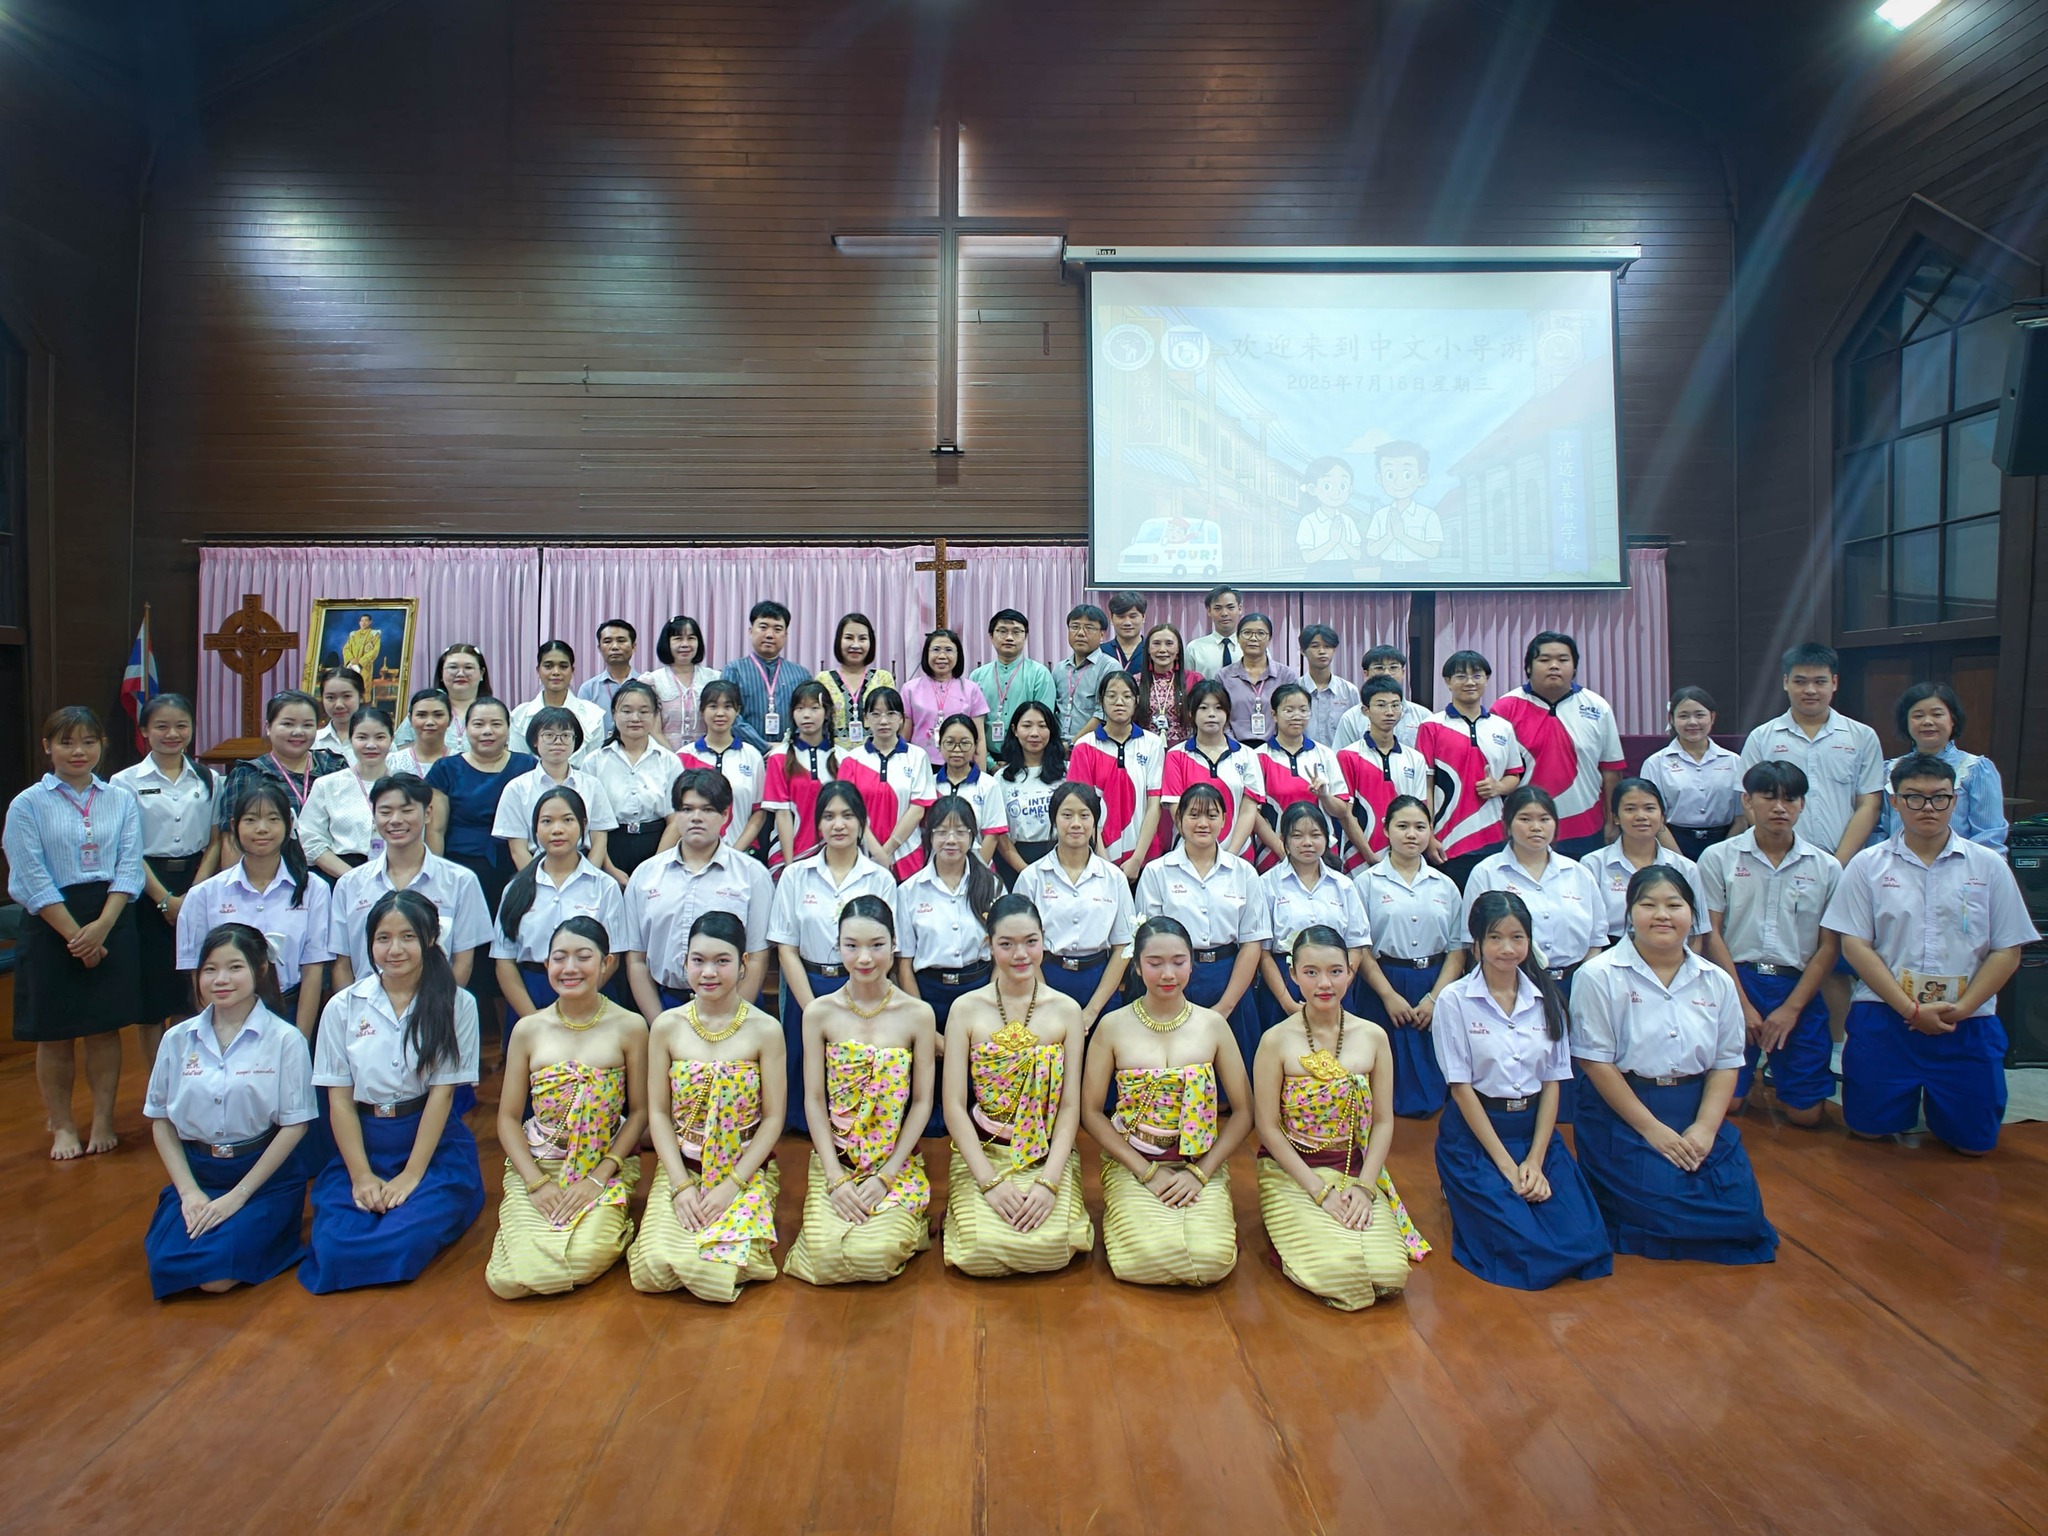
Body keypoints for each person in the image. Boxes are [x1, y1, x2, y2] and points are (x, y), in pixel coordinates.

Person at [1822, 753, 2037, 1155]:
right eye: (1914, 797)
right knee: (1868, 1132)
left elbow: (2007, 950)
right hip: (1886, 1015)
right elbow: (1855, 946)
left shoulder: (1988, 866)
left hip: (1967, 1020)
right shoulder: (1867, 866)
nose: (1928, 807)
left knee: (1974, 1145)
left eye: (1939, 797)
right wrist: (1910, 1009)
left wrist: (1963, 1008)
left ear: (1954, 800)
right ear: (1894, 802)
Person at [1570, 866, 1778, 1265]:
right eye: (1648, 905)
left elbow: (1726, 1062)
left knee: (1743, 1217)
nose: (1662, 915)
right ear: (1630, 912)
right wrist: (1653, 1131)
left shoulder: (1716, 980)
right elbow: (1596, 1064)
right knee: (1663, 1208)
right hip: (1625, 1111)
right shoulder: (1598, 976)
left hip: (1695, 1107)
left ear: (1692, 914)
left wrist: (1705, 1128)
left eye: (1674, 905)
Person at [300, 890, 486, 1293]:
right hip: (364, 1144)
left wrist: (411, 1175)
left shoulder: (458, 1003)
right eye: (383, 938)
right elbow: (339, 1101)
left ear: (430, 939)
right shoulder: (343, 1006)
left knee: (403, 1238)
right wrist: (361, 1175)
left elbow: (442, 1096)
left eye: (408, 937)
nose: (394, 949)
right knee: (334, 1247)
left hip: (430, 1145)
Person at [1431, 893, 1612, 1291]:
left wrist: (1535, 1159)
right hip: (1477, 1137)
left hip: (1533, 1133)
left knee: (1586, 1239)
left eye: (1517, 937)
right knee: (1520, 1246)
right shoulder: (1454, 1000)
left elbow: (1552, 1084)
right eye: (1495, 938)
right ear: (1476, 944)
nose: (1507, 948)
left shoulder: (1548, 999)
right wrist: (1508, 1168)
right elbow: (1461, 1090)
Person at [1253, 926, 1430, 1309]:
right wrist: (1318, 1191)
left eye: (1335, 971)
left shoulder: (1373, 1036)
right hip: (1294, 1171)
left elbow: (1383, 1122)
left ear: (1350, 972)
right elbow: (1266, 1127)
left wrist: (1365, 1187)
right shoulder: (1275, 1040)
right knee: (1339, 1274)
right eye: (1311, 972)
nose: (1324, 983)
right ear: (1293, 974)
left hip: (1354, 1168)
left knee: (1389, 1274)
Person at [143, 923, 318, 1298]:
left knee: (217, 1276)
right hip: (200, 1175)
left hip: (261, 1179)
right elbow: (161, 1121)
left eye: (234, 967)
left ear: (260, 969)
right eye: (210, 969)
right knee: (167, 1264)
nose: (220, 979)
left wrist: (239, 1195)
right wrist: (189, 1193)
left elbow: (295, 1126)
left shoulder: (285, 1040)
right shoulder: (176, 1039)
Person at [1081, 917, 1253, 1286]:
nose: (1168, 974)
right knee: (1139, 1259)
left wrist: (1202, 1173)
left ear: (1192, 963)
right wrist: (1146, 1172)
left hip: (1198, 1163)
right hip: (1134, 1162)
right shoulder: (1112, 1026)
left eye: (1178, 961)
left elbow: (1243, 1111)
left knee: (1212, 1261)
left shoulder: (1213, 1025)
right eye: (1155, 963)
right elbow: (1091, 1112)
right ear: (1137, 967)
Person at [6, 706, 145, 1158]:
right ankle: (63, 1126)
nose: (78, 751)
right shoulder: (27, 804)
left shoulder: (120, 798)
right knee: (54, 1033)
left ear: (102, 745)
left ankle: (103, 1118)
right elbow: (31, 876)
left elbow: (130, 865)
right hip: (51, 923)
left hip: (109, 916)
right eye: (66, 742)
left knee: (104, 1030)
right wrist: (76, 936)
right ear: (48, 747)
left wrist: (102, 927)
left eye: (88, 741)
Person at [628, 911, 787, 1303]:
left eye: (722, 961)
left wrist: (732, 1186)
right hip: (683, 1167)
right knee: (650, 1268)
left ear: (744, 963)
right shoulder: (666, 1026)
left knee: (722, 1267)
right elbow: (658, 1113)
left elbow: (773, 1118)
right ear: (685, 962)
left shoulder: (766, 1029)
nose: (709, 972)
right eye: (698, 960)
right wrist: (681, 1185)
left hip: (743, 1169)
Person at [486, 917, 648, 1298]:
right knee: (507, 1280)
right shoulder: (528, 1029)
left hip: (602, 1164)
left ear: (607, 963)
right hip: (539, 1164)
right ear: (546, 965)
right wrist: (536, 1184)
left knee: (586, 1256)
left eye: (583, 957)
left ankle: (613, 1224)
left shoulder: (631, 1026)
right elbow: (508, 1119)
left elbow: (640, 1112)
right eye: (559, 958)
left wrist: (599, 1177)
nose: (570, 968)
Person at [783, 896, 937, 1286]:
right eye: (851, 946)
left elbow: (922, 1102)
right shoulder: (819, 1012)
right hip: (836, 1161)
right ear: (837, 946)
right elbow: (814, 1099)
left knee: (876, 1256)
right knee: (822, 1256)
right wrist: (835, 1178)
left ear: (894, 944)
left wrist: (886, 1176)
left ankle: (910, 1218)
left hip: (893, 1163)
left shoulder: (917, 1014)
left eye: (877, 945)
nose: (864, 958)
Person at [938, 894, 1094, 1276]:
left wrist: (1048, 1182)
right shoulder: (965, 1009)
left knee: (1054, 1247)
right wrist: (989, 1182)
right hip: (985, 1150)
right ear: (989, 945)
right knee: (978, 1252)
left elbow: (1070, 1106)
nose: (1020, 954)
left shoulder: (1067, 1010)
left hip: (1045, 1153)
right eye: (1006, 944)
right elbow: (954, 1105)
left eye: (1030, 941)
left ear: (1044, 940)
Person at [1698, 762, 1841, 1126]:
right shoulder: (1718, 857)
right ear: (1747, 801)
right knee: (1727, 1104)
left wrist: (1792, 1008)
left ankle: (1778, 1073)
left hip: (1796, 985)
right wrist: (1742, 1004)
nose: (1780, 807)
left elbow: (1828, 946)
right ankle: (1749, 1077)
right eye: (1769, 797)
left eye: (1790, 799)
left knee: (1806, 1116)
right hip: (1736, 980)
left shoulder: (1826, 867)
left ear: (1802, 804)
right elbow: (1711, 933)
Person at [768, 783, 898, 1134]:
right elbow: (786, 948)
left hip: (863, 987)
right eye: (829, 817)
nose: (838, 825)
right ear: (818, 824)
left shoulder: (880, 879)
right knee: (803, 1083)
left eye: (847, 816)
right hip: (808, 987)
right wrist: (813, 1009)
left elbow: (889, 948)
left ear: (862, 823)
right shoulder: (796, 875)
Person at [176, 782, 332, 1038]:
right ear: (234, 826)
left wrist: (299, 1041)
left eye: (273, 819)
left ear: (289, 825)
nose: (262, 828)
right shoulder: (204, 895)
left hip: (290, 1009)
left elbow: (313, 971)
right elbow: (197, 972)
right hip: (226, 1014)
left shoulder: (313, 889)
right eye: (250, 820)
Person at [111, 693, 220, 1059]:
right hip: (145, 888)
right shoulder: (124, 782)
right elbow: (127, 848)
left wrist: (193, 894)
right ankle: (157, 1083)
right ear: (144, 730)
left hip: (197, 883)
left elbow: (216, 842)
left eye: (181, 726)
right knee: (152, 999)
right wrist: (164, 900)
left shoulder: (209, 778)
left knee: (189, 993)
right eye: (161, 726)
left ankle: (188, 1075)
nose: (172, 734)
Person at [622, 770, 775, 1018]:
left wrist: (732, 1021)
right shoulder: (645, 876)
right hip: (666, 1002)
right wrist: (659, 1022)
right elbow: (636, 960)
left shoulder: (752, 875)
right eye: (686, 809)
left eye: (707, 809)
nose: (696, 817)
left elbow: (757, 957)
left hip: (735, 1003)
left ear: (725, 815)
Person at [1135, 785, 1272, 1062]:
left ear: (1224, 820)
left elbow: (1252, 942)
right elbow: (1148, 941)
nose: (1202, 823)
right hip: (1174, 978)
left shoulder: (1244, 872)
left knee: (1236, 1073)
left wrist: (1226, 1006)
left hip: (1230, 977)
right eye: (1194, 815)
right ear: (1179, 819)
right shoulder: (1156, 872)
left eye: (1211, 815)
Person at [1356, 796, 1467, 1118]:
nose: (1411, 834)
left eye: (1420, 827)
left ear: (1430, 831)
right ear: (1385, 829)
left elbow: (1457, 949)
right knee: (1383, 1089)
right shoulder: (1366, 883)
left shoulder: (1446, 885)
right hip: (1382, 983)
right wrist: (1388, 996)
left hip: (1434, 983)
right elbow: (1359, 947)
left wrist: (1434, 998)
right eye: (1402, 826)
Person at [328, 775, 492, 992]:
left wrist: (438, 1005)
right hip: (366, 1007)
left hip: (434, 1004)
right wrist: (355, 1009)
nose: (396, 820)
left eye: (406, 811)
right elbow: (342, 964)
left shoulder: (461, 881)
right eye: (385, 812)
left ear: (428, 813)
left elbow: (463, 962)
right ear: (374, 816)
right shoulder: (349, 885)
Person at [895, 796, 1000, 1131]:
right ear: (929, 836)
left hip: (978, 992)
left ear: (972, 836)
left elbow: (1001, 954)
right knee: (931, 1082)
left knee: (975, 1095)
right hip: (928, 994)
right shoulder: (910, 891)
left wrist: (990, 1001)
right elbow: (904, 964)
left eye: (960, 831)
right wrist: (923, 1019)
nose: (951, 840)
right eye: (942, 831)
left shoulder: (991, 885)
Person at [490, 788, 629, 1026]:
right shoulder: (515, 889)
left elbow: (613, 956)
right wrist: (534, 1019)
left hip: (590, 994)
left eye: (567, 820)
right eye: (547, 821)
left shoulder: (604, 886)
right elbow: (504, 962)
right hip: (529, 997)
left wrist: (576, 1003)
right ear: (535, 829)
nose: (557, 829)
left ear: (583, 826)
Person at [1735, 643, 1885, 864]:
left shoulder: (1862, 736)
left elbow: (1869, 804)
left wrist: (1838, 864)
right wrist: (1781, 853)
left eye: (1820, 681)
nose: (1810, 690)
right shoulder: (1761, 737)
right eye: (1800, 681)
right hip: (1780, 860)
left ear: (1834, 683)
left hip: (1845, 862)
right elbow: (1750, 801)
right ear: (1785, 682)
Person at [1461, 786, 1605, 997]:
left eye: (1544, 819)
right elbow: (1473, 942)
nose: (1536, 827)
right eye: (1525, 819)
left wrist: (1585, 986)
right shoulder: (1486, 873)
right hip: (1512, 985)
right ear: (1507, 824)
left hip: (1575, 984)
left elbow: (1596, 941)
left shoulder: (1579, 873)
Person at [1493, 631, 1625, 861]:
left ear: (1574, 668)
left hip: (1585, 826)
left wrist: (1612, 821)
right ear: (1528, 668)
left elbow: (1611, 771)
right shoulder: (1505, 708)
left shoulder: (1597, 707)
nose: (1554, 666)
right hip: (1524, 828)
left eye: (1563, 660)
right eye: (1544, 659)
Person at [1013, 782, 1136, 1025]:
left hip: (1100, 981)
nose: (1076, 824)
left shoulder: (1114, 878)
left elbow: (1124, 946)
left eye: (1084, 815)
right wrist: (1046, 1001)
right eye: (1067, 815)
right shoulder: (1031, 877)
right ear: (1054, 820)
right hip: (1046, 978)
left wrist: (1092, 1010)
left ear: (1095, 821)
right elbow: (1021, 944)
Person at [1414, 650, 1527, 889]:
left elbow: (1514, 774)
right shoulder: (1431, 726)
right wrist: (1429, 835)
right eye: (1461, 676)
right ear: (1447, 682)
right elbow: (1425, 786)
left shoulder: (1502, 727)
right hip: (1447, 840)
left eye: (1477, 675)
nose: (1470, 682)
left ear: (1486, 679)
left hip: (1495, 835)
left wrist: (1498, 787)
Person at [425, 696, 535, 926]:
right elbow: (435, 830)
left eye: (496, 724)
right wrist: (436, 875)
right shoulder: (446, 768)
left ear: (508, 728)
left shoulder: (528, 766)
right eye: (478, 724)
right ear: (466, 728)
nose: (487, 731)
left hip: (518, 864)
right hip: (461, 866)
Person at [1258, 802, 1371, 1025]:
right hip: (1285, 984)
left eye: (1315, 835)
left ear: (1327, 839)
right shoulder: (1266, 884)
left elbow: (1356, 945)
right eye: (1297, 836)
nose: (1307, 842)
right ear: (1283, 839)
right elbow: (1262, 953)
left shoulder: (1344, 885)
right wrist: (1287, 1002)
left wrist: (1338, 986)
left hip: (1335, 983)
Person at [1875, 682, 2008, 855]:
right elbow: (1879, 830)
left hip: (1961, 866)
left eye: (1937, 714)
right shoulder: (1889, 770)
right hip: (1896, 865)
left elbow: (1989, 835)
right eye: (1918, 716)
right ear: (1905, 722)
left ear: (1953, 719)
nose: (1927, 722)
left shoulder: (1975, 769)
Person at [1582, 779, 1710, 946]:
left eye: (1649, 808)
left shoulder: (1685, 868)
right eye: (1630, 809)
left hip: (1670, 952)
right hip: (1609, 952)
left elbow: (1696, 934)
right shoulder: (1593, 864)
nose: (1641, 816)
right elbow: (1588, 930)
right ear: (1616, 818)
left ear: (1662, 817)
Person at [215, 690, 346, 852]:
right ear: (268, 727)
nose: (298, 732)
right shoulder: (248, 773)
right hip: (270, 864)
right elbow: (231, 840)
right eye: (288, 724)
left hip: (333, 863)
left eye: (307, 725)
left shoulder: (334, 767)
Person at [492, 706, 618, 873]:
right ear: (535, 740)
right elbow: (518, 849)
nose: (558, 742)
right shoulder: (516, 788)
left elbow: (599, 842)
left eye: (565, 736)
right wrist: (537, 882)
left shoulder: (592, 785)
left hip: (584, 866)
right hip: (533, 868)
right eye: (549, 735)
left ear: (575, 741)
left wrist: (586, 878)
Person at [1066, 671, 1164, 882]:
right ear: (1101, 700)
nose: (1119, 702)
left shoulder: (1152, 743)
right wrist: (1103, 860)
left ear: (1136, 701)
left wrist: (1137, 859)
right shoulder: (1084, 746)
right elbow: (1083, 809)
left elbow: (1154, 804)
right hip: (1097, 857)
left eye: (1127, 696)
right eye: (1111, 696)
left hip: (1144, 857)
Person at [1158, 678, 1265, 860]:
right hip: (1188, 854)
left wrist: (1231, 854)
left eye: (1218, 708)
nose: (1211, 714)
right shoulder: (1176, 755)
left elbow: (1249, 809)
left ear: (1227, 713)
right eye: (1203, 708)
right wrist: (1201, 851)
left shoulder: (1247, 755)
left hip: (1238, 854)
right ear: (1191, 713)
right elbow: (1177, 808)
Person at [836, 685, 934, 880]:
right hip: (862, 855)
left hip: (907, 855)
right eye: (875, 714)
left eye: (891, 714)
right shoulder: (851, 760)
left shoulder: (917, 756)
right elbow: (848, 811)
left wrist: (887, 850)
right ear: (865, 719)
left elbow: (917, 809)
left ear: (901, 719)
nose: (883, 721)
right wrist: (876, 852)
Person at [586, 679, 681, 878]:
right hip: (608, 847)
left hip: (658, 846)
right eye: (627, 711)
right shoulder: (595, 761)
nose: (635, 718)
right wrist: (610, 869)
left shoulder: (669, 761)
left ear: (655, 715)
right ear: (614, 714)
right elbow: (589, 822)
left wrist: (655, 866)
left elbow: (675, 820)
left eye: (644, 711)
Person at [1333, 676, 1430, 871]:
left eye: (1395, 705)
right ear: (1365, 710)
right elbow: (1346, 815)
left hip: (1404, 857)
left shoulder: (1415, 758)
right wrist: (1369, 855)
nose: (1390, 712)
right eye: (1381, 705)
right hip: (1358, 859)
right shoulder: (1348, 756)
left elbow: (1418, 811)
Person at [1253, 681, 1348, 873]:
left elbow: (1342, 810)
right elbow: (1252, 814)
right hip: (1273, 854)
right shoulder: (1258, 756)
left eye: (1303, 710)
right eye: (1289, 710)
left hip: (1320, 852)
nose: (1297, 716)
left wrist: (1324, 796)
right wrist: (1282, 850)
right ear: (1274, 715)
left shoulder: (1325, 754)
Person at [1640, 686, 1740, 862]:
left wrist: (1723, 856)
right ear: (1671, 719)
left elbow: (1741, 817)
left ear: (1712, 717)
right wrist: (1681, 861)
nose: (1692, 722)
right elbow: (1655, 819)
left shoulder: (1734, 761)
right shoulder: (1655, 763)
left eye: (1699, 715)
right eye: (1684, 716)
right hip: (1672, 842)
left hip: (1725, 844)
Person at [299, 705, 397, 881]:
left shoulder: (405, 786)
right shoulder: (327, 785)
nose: (371, 745)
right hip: (339, 874)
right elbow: (310, 839)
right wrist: (353, 877)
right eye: (362, 737)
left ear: (392, 740)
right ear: (351, 740)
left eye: (380, 737)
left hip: (395, 874)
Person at [676, 680, 768, 854]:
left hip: (741, 854)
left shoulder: (752, 756)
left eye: (727, 707)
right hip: (693, 854)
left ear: (737, 711)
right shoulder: (683, 757)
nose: (720, 713)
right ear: (702, 710)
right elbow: (676, 813)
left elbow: (759, 812)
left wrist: (735, 853)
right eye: (713, 706)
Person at [762, 680, 837, 869]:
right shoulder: (779, 758)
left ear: (827, 712)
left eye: (814, 708)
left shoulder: (843, 759)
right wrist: (789, 867)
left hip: (831, 859)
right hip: (786, 858)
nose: (806, 715)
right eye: (800, 708)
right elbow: (782, 814)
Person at [993, 700, 1065, 883]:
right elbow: (1000, 835)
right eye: (1027, 726)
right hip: (1015, 863)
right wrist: (1026, 872)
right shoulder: (1001, 778)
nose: (1035, 733)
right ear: (1015, 730)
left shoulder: (1067, 773)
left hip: (1062, 859)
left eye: (1042, 726)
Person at [969, 608, 1055, 757]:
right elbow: (971, 725)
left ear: (1025, 636)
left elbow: (1043, 724)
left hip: (1027, 757)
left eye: (1016, 632)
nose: (1009, 637)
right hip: (986, 758)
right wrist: (989, 762)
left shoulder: (1039, 674)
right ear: (991, 636)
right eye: (1002, 631)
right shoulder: (977, 676)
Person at [729, 600, 812, 753]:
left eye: (777, 629)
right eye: (763, 627)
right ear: (750, 631)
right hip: (744, 754)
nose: (769, 635)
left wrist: (787, 748)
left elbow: (809, 715)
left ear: (785, 635)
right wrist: (764, 746)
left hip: (790, 756)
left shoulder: (801, 675)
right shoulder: (734, 670)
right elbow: (730, 716)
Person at [507, 639, 608, 765]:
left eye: (563, 666)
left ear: (572, 670)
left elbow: (594, 765)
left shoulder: (592, 715)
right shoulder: (520, 716)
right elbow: (518, 763)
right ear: (538, 670)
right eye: (548, 666)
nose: (556, 672)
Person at [928, 714, 1007, 864]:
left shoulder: (988, 785)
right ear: (940, 744)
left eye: (965, 743)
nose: (957, 749)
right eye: (949, 743)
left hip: (977, 867)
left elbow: (991, 836)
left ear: (976, 745)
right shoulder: (929, 784)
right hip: (935, 868)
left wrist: (975, 872)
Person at [903, 626, 988, 760]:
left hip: (961, 763)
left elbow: (980, 739)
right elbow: (904, 737)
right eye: (936, 650)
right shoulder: (910, 689)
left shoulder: (971, 689)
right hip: (920, 763)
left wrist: (981, 772)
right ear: (926, 654)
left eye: (948, 650)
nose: (942, 656)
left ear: (958, 655)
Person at [1216, 611, 1300, 747]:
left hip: (1277, 749)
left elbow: (1293, 714)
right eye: (1247, 633)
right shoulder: (1223, 677)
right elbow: (1219, 715)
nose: (1253, 638)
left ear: (1269, 638)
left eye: (1261, 633)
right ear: (1238, 638)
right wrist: (1234, 746)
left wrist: (1276, 746)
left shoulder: (1286, 676)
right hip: (1234, 748)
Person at [812, 611, 892, 751]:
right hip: (833, 756)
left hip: (875, 756)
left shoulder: (883, 678)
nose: (855, 645)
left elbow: (893, 720)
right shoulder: (823, 679)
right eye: (849, 638)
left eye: (862, 639)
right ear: (839, 640)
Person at [640, 614, 720, 751]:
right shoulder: (652, 681)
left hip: (707, 756)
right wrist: (675, 759)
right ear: (667, 643)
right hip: (664, 757)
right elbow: (654, 731)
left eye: (691, 638)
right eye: (678, 639)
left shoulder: (714, 678)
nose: (685, 644)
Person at [396, 643, 489, 754]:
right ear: (441, 673)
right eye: (453, 667)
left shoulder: (493, 711)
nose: (460, 673)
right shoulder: (425, 709)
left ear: (481, 673)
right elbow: (400, 748)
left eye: (468, 667)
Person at [1331, 646, 1430, 751]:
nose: (1387, 673)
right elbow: (1341, 756)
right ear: (1366, 674)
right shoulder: (1351, 718)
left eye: (1393, 667)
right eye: (1379, 668)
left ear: (1403, 673)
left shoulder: (1423, 715)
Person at [1363, 441, 1443, 562]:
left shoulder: (1428, 515)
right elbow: (1371, 551)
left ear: (1422, 479)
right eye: (1390, 475)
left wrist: (1402, 536)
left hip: (1418, 570)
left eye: (1407, 475)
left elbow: (1433, 552)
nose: (1397, 482)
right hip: (1388, 569)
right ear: (1380, 479)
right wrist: (1389, 535)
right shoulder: (1380, 515)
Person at [1053, 602, 1119, 744]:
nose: (1081, 633)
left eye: (1089, 628)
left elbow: (1103, 714)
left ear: (1102, 634)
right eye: (1075, 627)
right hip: (1058, 745)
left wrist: (1073, 744)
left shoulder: (1109, 667)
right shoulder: (1060, 669)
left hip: (1094, 745)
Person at [1136, 622, 1201, 747]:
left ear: (1178, 649)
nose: (1162, 650)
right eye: (1156, 643)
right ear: (1148, 649)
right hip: (1144, 750)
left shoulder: (1194, 680)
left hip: (1185, 750)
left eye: (1169, 643)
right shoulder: (1136, 682)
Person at [1296, 455, 1366, 565]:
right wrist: (1332, 541)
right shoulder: (1308, 521)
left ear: (1350, 489)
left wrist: (1343, 541)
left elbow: (1357, 556)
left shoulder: (1347, 521)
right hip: (1318, 571)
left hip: (1344, 570)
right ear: (1312, 489)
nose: (1337, 492)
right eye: (1327, 486)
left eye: (1343, 486)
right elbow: (1307, 558)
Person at [1298, 624, 1360, 745]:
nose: (1322, 651)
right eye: (1315, 646)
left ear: (1334, 650)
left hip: (1341, 756)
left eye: (1327, 646)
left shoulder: (1349, 691)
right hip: (1303, 755)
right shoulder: (1295, 689)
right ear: (1303, 651)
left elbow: (1357, 728)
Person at [386, 688, 455, 779]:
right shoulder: (393, 762)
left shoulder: (462, 762)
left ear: (450, 719)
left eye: (438, 715)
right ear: (410, 719)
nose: (430, 722)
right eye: (421, 715)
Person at [577, 618, 640, 710]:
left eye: (621, 641)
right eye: (607, 641)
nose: (614, 647)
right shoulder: (588, 689)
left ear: (633, 647)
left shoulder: (646, 684)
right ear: (599, 648)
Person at [1182, 584, 1243, 677]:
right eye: (1217, 608)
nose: (1224, 613)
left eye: (1230, 607)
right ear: (1209, 611)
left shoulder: (1252, 646)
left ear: (1239, 609)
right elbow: (1187, 682)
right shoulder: (1195, 648)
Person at [312, 667, 366, 766]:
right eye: (330, 697)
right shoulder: (313, 740)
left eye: (346, 696)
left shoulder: (378, 741)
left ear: (361, 697)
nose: (339, 705)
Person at [1104, 590, 1150, 668]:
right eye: (1121, 617)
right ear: (1111, 618)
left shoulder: (1152, 650)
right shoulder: (1101, 652)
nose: (1127, 623)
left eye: (1133, 616)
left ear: (1143, 617)